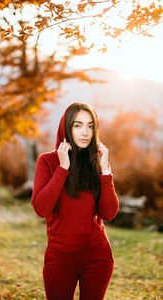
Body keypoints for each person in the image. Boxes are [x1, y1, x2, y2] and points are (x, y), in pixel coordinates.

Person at [31, 102, 119, 300]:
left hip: (97, 256)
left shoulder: (96, 163)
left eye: (90, 126)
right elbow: (41, 208)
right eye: (78, 125)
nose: (85, 132)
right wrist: (63, 168)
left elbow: (109, 213)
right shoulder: (47, 162)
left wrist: (105, 170)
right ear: (66, 127)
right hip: (60, 258)